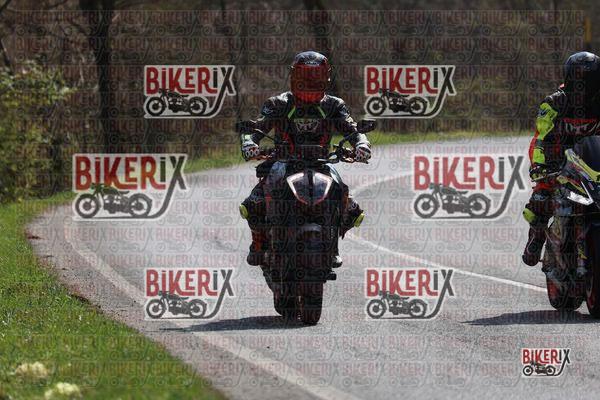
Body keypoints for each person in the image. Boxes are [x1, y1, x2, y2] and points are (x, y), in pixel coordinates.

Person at [238, 51, 371, 267]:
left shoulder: (334, 105)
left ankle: (332, 246)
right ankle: (259, 243)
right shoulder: (278, 103)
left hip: (321, 164)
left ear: (326, 78)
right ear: (294, 77)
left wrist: (362, 144)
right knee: (253, 203)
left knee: (347, 203)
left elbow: (353, 129)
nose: (310, 83)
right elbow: (257, 128)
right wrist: (249, 144)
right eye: (305, 77)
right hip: (283, 162)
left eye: (315, 77)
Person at [522, 51, 600, 266]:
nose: (585, 86)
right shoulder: (554, 102)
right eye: (580, 80)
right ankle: (537, 235)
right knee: (541, 198)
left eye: (590, 80)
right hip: (556, 157)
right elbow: (541, 137)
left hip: (591, 159)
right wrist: (539, 165)